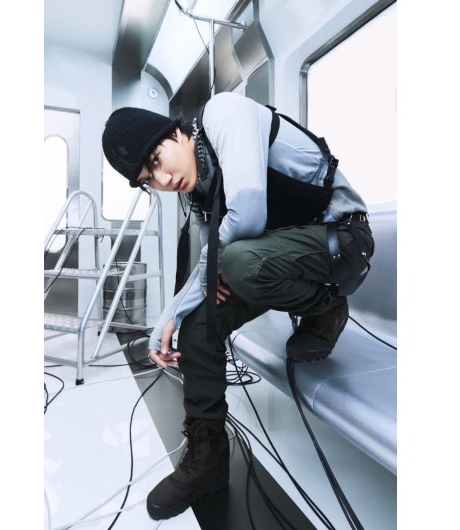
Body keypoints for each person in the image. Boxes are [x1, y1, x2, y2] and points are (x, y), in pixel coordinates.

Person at [102, 91, 374, 521]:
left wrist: (204, 278)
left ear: (175, 133)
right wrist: (173, 317)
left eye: (156, 159)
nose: (162, 178)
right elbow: (210, 261)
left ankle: (326, 306)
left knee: (238, 261)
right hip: (276, 256)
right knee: (198, 324)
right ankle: (208, 456)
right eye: (148, 179)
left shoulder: (224, 113)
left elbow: (246, 216)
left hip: (342, 242)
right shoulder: (197, 191)